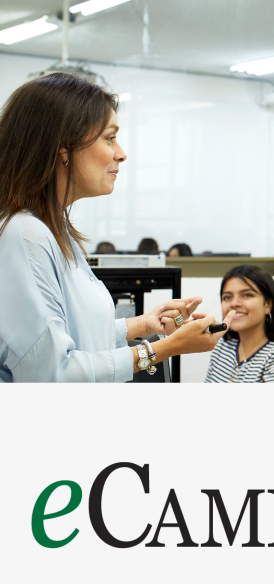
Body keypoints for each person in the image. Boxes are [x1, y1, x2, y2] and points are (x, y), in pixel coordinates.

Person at [0, 73, 223, 382]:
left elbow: (74, 333)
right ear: (64, 147)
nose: (121, 153)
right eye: (109, 137)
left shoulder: (53, 230)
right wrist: (163, 349)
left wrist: (146, 325)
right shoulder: (24, 235)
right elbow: (51, 373)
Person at [204, 265, 274, 383]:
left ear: (267, 305)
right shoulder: (223, 346)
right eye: (227, 297)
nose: (234, 303)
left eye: (247, 295)